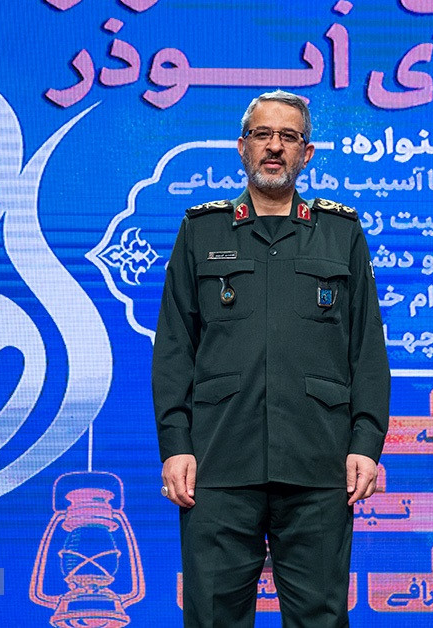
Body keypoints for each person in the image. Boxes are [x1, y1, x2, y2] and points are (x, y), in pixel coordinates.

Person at [152, 90, 391, 626]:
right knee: (213, 618)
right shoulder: (201, 230)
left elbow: (367, 351)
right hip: (217, 463)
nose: (275, 146)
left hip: (318, 463)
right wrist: (176, 445)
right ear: (242, 147)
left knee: (319, 619)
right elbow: (174, 347)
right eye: (263, 134)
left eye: (289, 136)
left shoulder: (341, 232)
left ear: (307, 153)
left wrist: (365, 443)